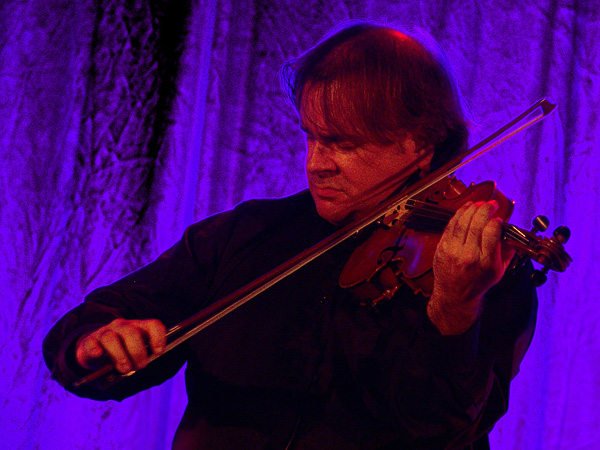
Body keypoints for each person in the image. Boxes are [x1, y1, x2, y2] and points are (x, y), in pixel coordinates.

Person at [43, 22, 537, 449]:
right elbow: (90, 329)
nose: (316, 164)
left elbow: (449, 431)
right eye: (311, 135)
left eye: (343, 143)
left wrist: (454, 310)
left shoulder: (484, 271)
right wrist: (96, 339)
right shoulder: (244, 235)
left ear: (421, 144)